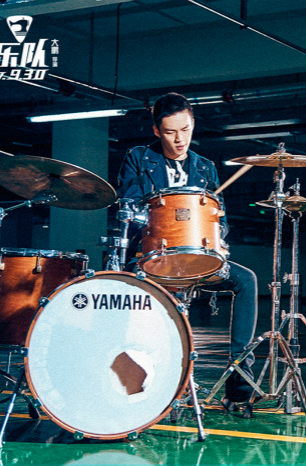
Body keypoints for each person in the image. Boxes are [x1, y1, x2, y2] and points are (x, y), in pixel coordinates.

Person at [116, 92, 258, 404]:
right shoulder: (139, 158)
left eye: (186, 130)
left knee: (246, 280)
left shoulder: (205, 167)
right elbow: (127, 207)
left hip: (197, 258)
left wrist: (219, 235)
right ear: (157, 130)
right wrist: (158, 218)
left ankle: (240, 378)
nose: (180, 139)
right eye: (170, 132)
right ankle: (140, 377)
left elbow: (220, 217)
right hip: (151, 257)